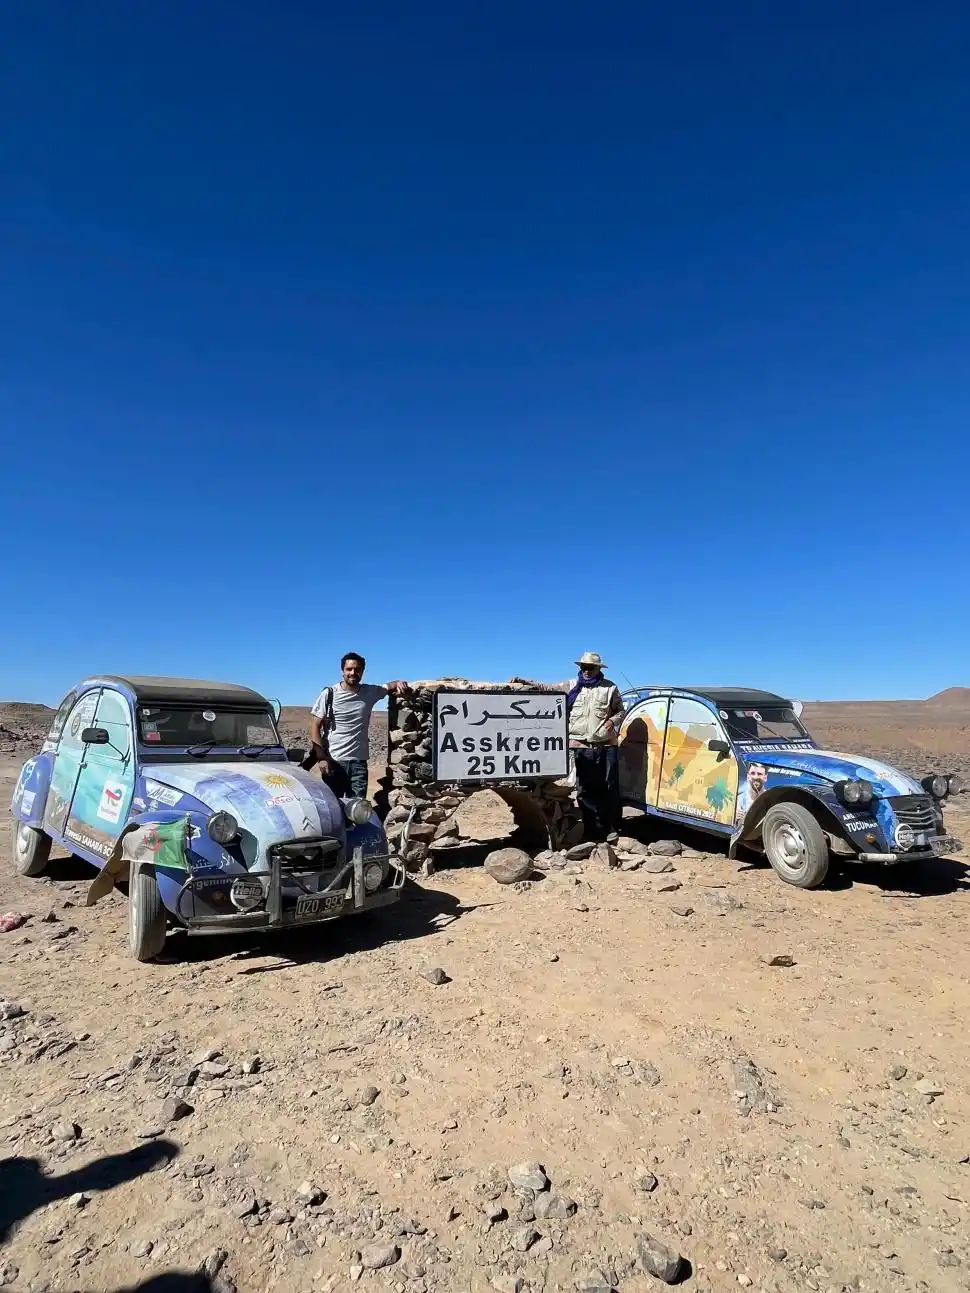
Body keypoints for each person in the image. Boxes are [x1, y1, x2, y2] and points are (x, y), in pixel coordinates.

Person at [306, 653, 408, 799]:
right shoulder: (329, 694)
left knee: (358, 810)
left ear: (362, 672)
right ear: (342, 671)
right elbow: (315, 725)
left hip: (359, 764)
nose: (353, 673)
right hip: (334, 761)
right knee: (334, 809)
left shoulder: (370, 692)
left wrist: (399, 682)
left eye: (357, 669)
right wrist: (321, 757)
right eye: (349, 669)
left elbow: (388, 686)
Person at [567, 651, 625, 843]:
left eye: (590, 667)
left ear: (598, 669)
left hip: (606, 746)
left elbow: (620, 711)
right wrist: (525, 681)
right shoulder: (573, 687)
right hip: (580, 745)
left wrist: (612, 721)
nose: (586, 671)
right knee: (584, 789)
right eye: (583, 667)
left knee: (608, 787)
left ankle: (611, 827)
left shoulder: (610, 688)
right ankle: (590, 828)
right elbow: (547, 688)